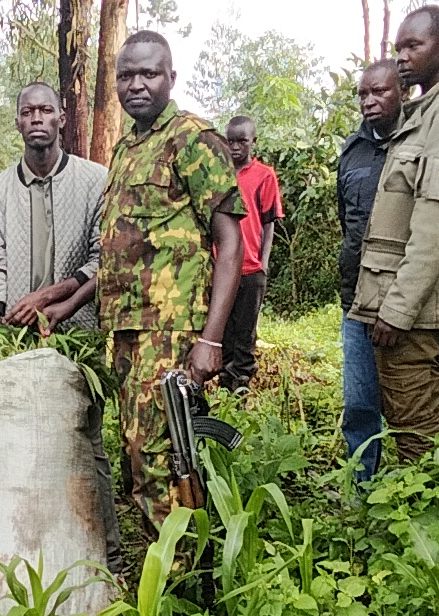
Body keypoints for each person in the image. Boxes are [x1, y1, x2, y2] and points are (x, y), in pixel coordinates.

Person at [100, 31, 246, 528]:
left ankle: (182, 581)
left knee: (164, 457)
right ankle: (161, 571)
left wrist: (211, 339)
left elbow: (231, 246)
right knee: (136, 455)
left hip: (172, 331)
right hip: (126, 329)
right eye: (126, 75)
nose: (135, 84)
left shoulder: (194, 139)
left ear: (171, 78)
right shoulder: (126, 149)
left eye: (149, 73)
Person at [0, 81, 121, 572]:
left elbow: (105, 259)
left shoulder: (97, 180)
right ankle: (29, 552)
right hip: (15, 339)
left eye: (46, 110)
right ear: (17, 122)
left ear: (62, 118)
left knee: (85, 442)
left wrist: (50, 296)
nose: (36, 118)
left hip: (79, 331)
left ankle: (107, 554)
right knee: (21, 440)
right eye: (27, 111)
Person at [348, 6, 439, 463]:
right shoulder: (426, 111)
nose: (402, 57)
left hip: (413, 312)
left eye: (414, 46)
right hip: (393, 300)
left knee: (417, 434)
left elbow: (437, 223)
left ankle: (431, 524)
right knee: (412, 421)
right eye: (398, 48)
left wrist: (398, 308)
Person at [337, 60, 403, 483]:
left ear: (402, 92)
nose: (369, 101)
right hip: (356, 297)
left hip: (408, 301)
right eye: (363, 93)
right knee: (360, 403)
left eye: (379, 92)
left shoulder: (418, 144)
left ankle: (422, 492)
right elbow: (347, 220)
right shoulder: (352, 151)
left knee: (416, 405)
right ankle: (362, 490)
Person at [220, 115, 284, 391]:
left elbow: (268, 223)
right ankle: (224, 382)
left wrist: (263, 263)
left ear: (253, 142)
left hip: (250, 267)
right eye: (230, 141)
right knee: (224, 329)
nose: (235, 147)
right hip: (221, 267)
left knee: (245, 332)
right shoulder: (218, 173)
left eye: (241, 141)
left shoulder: (264, 176)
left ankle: (241, 385)